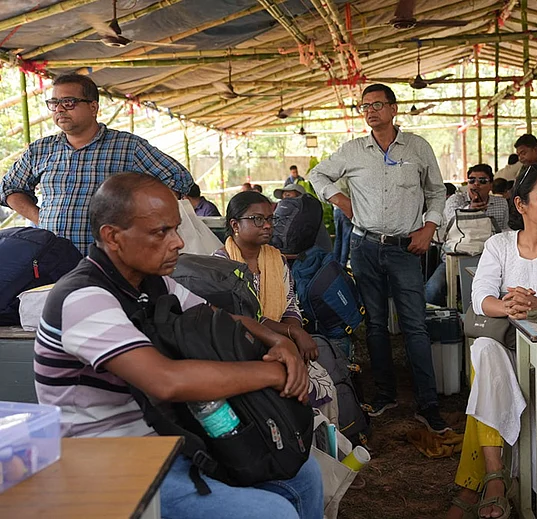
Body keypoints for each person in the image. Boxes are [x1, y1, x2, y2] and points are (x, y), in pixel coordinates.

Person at [34, 173, 323, 519]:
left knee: (303, 473)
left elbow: (216, 316)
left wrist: (279, 341)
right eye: (161, 232)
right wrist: (273, 373)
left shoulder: (153, 284)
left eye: (175, 229)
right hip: (107, 458)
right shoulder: (85, 298)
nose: (178, 243)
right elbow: (166, 381)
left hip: (167, 435)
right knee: (273, 513)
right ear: (112, 237)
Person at [448, 164, 537, 519]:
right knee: (484, 351)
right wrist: (509, 306)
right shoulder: (500, 244)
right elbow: (480, 295)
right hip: (506, 351)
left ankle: (481, 484)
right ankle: (497, 479)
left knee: (483, 378)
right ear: (521, 205)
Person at [309, 83, 449, 433]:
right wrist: (340, 201)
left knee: (415, 325)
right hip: (365, 246)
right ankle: (385, 395)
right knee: (373, 324)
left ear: (393, 109)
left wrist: (429, 227)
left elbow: (436, 191)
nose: (370, 111)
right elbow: (318, 174)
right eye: (364, 106)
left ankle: (427, 403)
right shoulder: (352, 151)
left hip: (406, 248)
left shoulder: (417, 147)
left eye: (377, 105)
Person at [0, 74, 192, 254]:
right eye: (54, 103)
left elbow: (178, 178)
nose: (59, 109)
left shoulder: (128, 147)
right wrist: (39, 218)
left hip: (108, 260)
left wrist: (141, 220)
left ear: (93, 107)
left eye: (69, 102)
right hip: (51, 259)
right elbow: (9, 187)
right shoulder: (40, 150)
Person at [213, 190, 319, 361]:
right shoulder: (221, 263)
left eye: (270, 218)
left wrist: (291, 340)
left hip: (281, 341)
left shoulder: (277, 260)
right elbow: (239, 317)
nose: (268, 225)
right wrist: (292, 333)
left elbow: (290, 306)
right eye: (257, 219)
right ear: (235, 225)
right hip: (238, 346)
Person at [426, 164, 509, 307]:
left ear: (490, 185)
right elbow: (452, 220)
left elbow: (503, 230)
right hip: (454, 258)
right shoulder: (455, 200)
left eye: (482, 181)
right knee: (432, 291)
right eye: (472, 180)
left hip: (489, 258)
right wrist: (470, 209)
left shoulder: (501, 203)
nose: (476, 184)